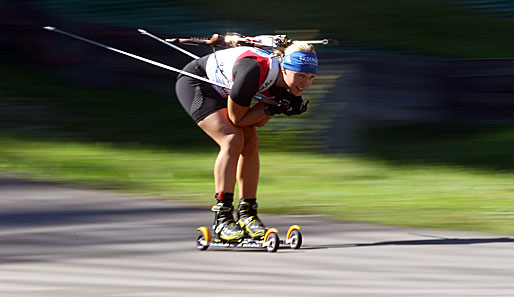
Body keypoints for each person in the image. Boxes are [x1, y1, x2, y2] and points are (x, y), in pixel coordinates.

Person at [175, 41, 318, 241]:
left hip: (229, 90)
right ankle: (222, 217)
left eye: (311, 78)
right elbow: (238, 119)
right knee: (232, 139)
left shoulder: (284, 81)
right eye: (301, 76)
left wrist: (278, 106)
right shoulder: (254, 71)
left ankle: (247, 214)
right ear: (285, 68)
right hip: (199, 83)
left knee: (250, 141)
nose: (305, 84)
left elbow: (258, 123)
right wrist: (274, 108)